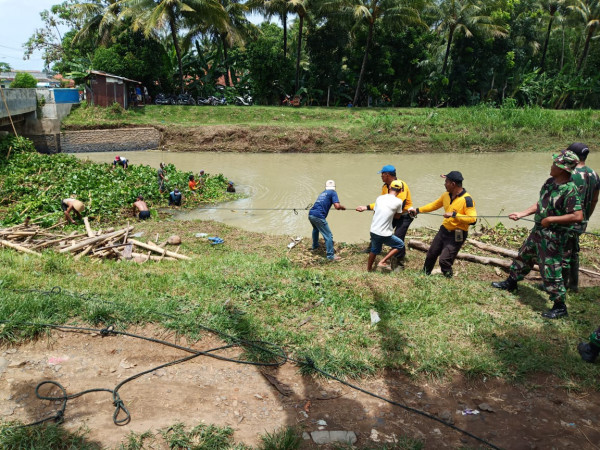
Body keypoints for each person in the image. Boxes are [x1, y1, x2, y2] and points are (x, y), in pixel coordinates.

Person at [491, 151, 583, 319]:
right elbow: (540, 204)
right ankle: (512, 282)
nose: (551, 166)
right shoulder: (550, 183)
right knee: (524, 255)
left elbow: (577, 216)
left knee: (551, 270)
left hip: (554, 237)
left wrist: (551, 219)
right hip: (538, 232)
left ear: (563, 168)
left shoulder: (570, 190)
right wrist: (521, 213)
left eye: (555, 164)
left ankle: (560, 305)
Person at [409, 171, 477, 278]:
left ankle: (448, 279)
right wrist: (418, 210)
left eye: (446, 182)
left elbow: (473, 220)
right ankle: (424, 275)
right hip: (444, 230)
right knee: (431, 253)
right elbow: (434, 205)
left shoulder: (467, 200)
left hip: (457, 234)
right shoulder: (446, 195)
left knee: (444, 260)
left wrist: (454, 214)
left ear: (453, 184)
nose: (444, 184)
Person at [356, 164, 414, 268]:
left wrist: (376, 211)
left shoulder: (401, 186)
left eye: (382, 174)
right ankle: (373, 248)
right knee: (379, 228)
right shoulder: (385, 186)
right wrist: (366, 207)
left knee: (398, 236)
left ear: (387, 174)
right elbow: (383, 202)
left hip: (402, 215)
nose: (381, 176)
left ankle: (398, 261)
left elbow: (399, 204)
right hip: (391, 213)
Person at [561, 143, 600, 292]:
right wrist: (586, 217)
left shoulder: (569, 173)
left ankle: (562, 286)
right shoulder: (594, 174)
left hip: (566, 220)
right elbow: (595, 200)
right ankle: (574, 284)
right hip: (582, 220)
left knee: (563, 252)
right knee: (574, 250)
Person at [367, 180, 406, 271]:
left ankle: (368, 269)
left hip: (373, 230)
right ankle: (383, 261)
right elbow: (397, 216)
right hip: (385, 234)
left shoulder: (379, 198)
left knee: (374, 250)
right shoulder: (399, 202)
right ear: (400, 191)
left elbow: (375, 212)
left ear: (389, 188)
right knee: (400, 245)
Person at [308, 180, 346, 261]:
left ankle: (315, 246)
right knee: (328, 235)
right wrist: (342, 207)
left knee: (315, 229)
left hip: (311, 214)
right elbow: (337, 206)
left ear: (326, 187)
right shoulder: (333, 192)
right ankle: (330, 256)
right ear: (334, 187)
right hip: (318, 216)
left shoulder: (323, 193)